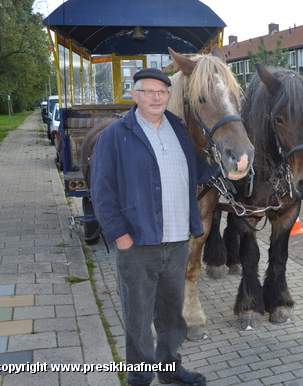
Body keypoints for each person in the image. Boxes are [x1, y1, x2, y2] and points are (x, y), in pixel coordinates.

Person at [91, 68, 212, 386]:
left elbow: (199, 171)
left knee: (172, 314)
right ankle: (140, 378)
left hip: (176, 243)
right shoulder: (115, 135)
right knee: (139, 317)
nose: (155, 97)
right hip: (137, 244)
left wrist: (233, 163)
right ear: (135, 96)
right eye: (148, 92)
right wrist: (120, 236)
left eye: (162, 92)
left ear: (168, 97)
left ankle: (170, 370)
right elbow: (102, 192)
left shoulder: (179, 131)